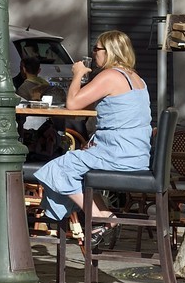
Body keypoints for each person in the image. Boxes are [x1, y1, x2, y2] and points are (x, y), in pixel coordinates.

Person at [32, 31, 153, 228]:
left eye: (96, 49)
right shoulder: (136, 78)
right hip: (135, 156)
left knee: (59, 167)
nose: (94, 52)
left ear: (110, 52)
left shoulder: (110, 75)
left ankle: (101, 219)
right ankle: (100, 218)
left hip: (118, 156)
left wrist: (78, 74)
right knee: (77, 167)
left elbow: (72, 104)